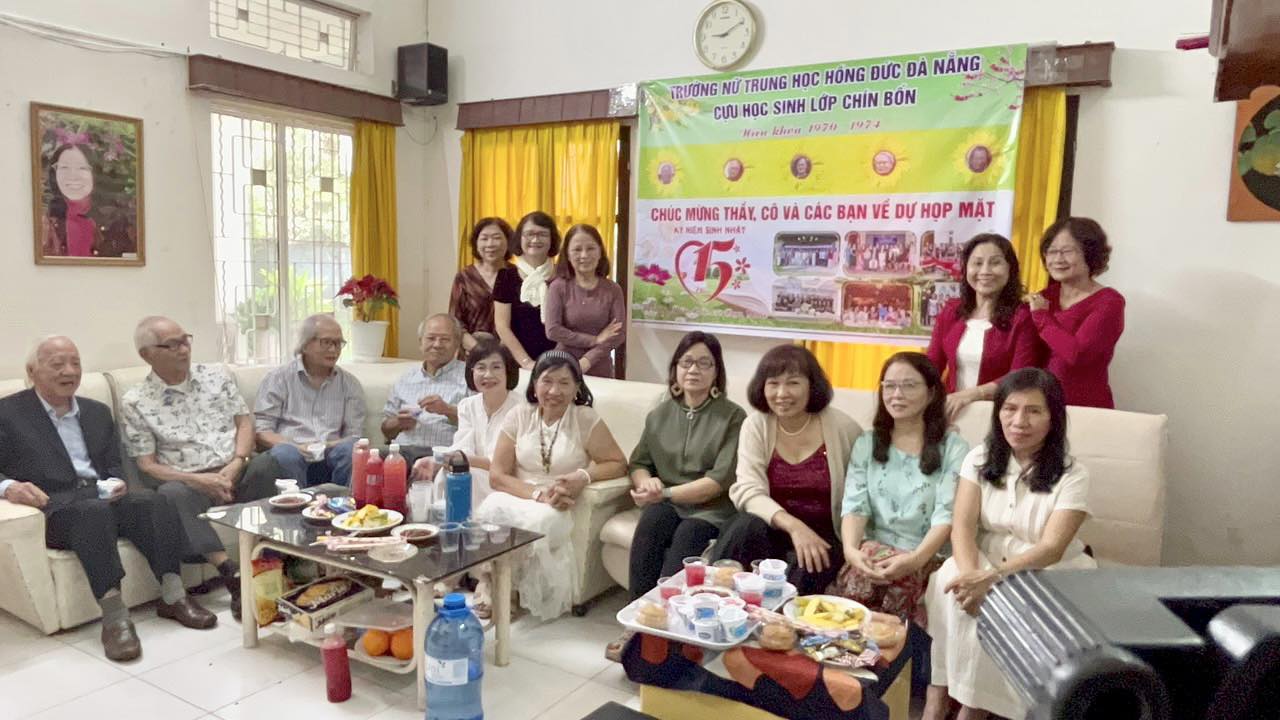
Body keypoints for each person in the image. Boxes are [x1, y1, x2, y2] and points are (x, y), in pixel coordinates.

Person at [0, 336, 215, 662]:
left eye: (75, 363)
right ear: (32, 372)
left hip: (99, 496)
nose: (69, 371)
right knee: (92, 512)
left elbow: (113, 465)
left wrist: (116, 482)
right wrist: (9, 487)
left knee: (155, 501)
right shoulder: (8, 413)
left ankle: (173, 596)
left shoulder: (96, 412)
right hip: (53, 507)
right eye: (57, 364)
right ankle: (115, 618)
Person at [922, 368, 1096, 720]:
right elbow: (962, 527)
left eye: (1033, 411)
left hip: (1045, 569)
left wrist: (991, 579)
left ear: (1053, 418)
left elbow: (1052, 548)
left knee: (1002, 603)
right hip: (983, 557)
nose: (1019, 421)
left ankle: (972, 709)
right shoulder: (979, 457)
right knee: (948, 580)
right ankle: (937, 698)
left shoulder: (1073, 474)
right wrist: (971, 576)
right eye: (1010, 408)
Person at [120, 316, 281, 622]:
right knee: (171, 493)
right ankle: (232, 575)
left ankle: (272, 561)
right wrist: (198, 480)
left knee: (273, 462)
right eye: (172, 345)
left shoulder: (216, 376)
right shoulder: (136, 401)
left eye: (185, 340)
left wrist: (238, 462)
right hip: (188, 482)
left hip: (236, 469)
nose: (184, 349)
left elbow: (244, 423)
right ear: (146, 354)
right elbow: (147, 465)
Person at [477, 351, 627, 620]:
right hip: (523, 494)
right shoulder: (519, 415)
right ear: (535, 384)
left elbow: (617, 462)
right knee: (491, 507)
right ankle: (494, 584)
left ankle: (506, 591)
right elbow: (497, 475)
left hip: (560, 502)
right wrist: (536, 494)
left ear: (577, 387)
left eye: (564, 383)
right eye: (547, 381)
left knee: (541, 519)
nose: (554, 391)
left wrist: (582, 477)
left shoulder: (584, 418)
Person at [830, 353, 967, 627]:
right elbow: (855, 505)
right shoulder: (868, 443)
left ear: (931, 393)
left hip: (926, 554)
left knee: (896, 588)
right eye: (889, 386)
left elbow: (947, 514)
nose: (896, 395)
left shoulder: (953, 448)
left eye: (909, 386)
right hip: (874, 549)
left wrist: (915, 560)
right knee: (861, 582)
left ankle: (888, 648)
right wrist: (851, 551)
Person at [712, 345, 862, 594]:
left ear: (812, 386)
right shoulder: (756, 425)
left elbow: (860, 496)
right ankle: (716, 597)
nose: (782, 393)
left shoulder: (844, 429)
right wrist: (794, 527)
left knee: (807, 567)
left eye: (793, 383)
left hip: (822, 534)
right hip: (772, 526)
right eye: (773, 383)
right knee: (744, 526)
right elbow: (748, 490)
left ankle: (780, 617)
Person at [627, 332, 747, 600]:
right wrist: (645, 482)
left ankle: (673, 614)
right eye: (687, 362)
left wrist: (664, 493)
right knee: (652, 521)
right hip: (667, 504)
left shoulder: (733, 417)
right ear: (675, 369)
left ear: (716, 372)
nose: (694, 370)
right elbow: (638, 463)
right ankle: (638, 614)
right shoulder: (659, 415)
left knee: (688, 534)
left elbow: (717, 481)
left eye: (704, 363)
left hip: (711, 510)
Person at [926, 234, 1040, 421]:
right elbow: (931, 365)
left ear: (1010, 269)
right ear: (966, 268)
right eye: (977, 263)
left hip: (1002, 417)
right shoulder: (952, 311)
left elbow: (1020, 376)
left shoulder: (1023, 317)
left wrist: (971, 395)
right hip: (951, 412)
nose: (985, 271)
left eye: (995, 263)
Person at [411, 337, 522, 516]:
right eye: (481, 368)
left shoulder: (521, 409)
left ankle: (466, 527)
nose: (488, 375)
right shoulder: (467, 406)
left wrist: (452, 460)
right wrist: (438, 461)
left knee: (466, 477)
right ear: (472, 373)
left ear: (508, 371)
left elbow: (503, 465)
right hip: (474, 473)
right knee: (449, 474)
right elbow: (463, 448)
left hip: (507, 480)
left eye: (496, 367)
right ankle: (447, 525)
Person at [254, 314, 365, 486]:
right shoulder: (278, 379)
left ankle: (342, 501)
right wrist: (296, 447)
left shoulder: (350, 384)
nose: (334, 349)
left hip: (331, 454)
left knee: (352, 449)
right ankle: (296, 502)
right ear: (305, 345)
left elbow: (354, 435)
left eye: (338, 343)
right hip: (291, 453)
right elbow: (262, 431)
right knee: (285, 454)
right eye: (326, 342)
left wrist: (327, 445)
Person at [1027, 217, 1125, 408]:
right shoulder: (1044, 297)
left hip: (1085, 407)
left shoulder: (1109, 302)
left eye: (1067, 251)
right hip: (1040, 406)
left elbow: (1077, 355)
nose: (1057, 259)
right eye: (1051, 252)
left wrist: (1042, 317)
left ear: (1090, 254)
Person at [381, 314, 471, 464]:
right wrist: (398, 422)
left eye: (445, 339)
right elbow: (386, 430)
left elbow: (480, 425)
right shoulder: (405, 379)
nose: (437, 344)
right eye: (431, 338)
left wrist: (447, 410)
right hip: (402, 454)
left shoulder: (470, 376)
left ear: (457, 344)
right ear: (420, 342)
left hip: (444, 457)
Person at [544, 224, 627, 378]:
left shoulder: (613, 289)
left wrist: (587, 361)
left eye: (590, 248)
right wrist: (594, 339)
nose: (584, 255)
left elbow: (618, 334)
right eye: (577, 250)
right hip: (563, 366)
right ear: (568, 255)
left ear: (600, 252)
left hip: (601, 369)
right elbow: (553, 330)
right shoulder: (558, 287)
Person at [41, 144, 135, 258]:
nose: (73, 176)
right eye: (64, 168)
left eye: (82, 168)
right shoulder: (46, 222)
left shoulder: (118, 220)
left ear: (95, 173)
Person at [494, 211, 561, 371]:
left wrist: (556, 358)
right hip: (515, 362)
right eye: (529, 234)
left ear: (552, 239)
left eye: (542, 234)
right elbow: (502, 326)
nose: (535, 240)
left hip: (558, 361)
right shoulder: (506, 276)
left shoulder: (563, 276)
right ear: (519, 238)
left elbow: (570, 323)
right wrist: (526, 362)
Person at [449, 217, 513, 353]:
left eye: (497, 238)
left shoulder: (517, 276)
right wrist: (478, 350)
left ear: (508, 241)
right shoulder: (464, 277)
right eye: (484, 238)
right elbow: (455, 322)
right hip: (472, 353)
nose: (490, 244)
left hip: (511, 354)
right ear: (476, 244)